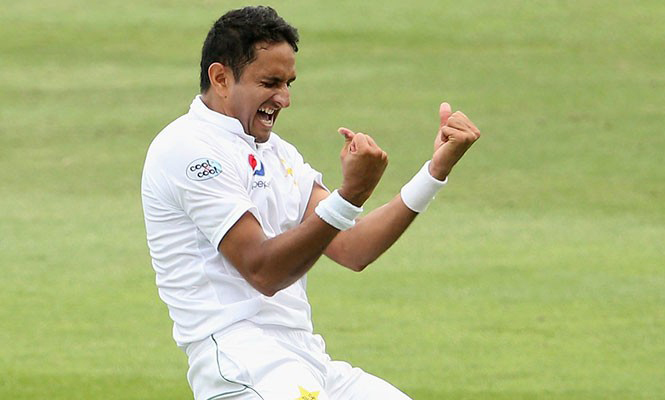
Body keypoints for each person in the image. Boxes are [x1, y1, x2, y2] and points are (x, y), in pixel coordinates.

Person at [141, 5, 480, 400]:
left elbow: (353, 248)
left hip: (306, 356)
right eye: (270, 82)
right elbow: (262, 270)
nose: (284, 99)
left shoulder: (278, 153)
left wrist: (435, 171)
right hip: (241, 360)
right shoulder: (189, 148)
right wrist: (350, 195)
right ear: (221, 78)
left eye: (289, 83)